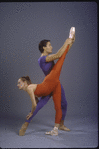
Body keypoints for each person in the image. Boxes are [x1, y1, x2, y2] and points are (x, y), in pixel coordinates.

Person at [18, 27, 75, 136]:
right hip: (48, 84)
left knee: (64, 104)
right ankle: (26, 124)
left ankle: (61, 124)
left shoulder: (48, 57)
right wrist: (67, 42)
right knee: (39, 106)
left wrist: (71, 40)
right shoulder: (42, 59)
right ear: (44, 48)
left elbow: (62, 53)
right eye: (49, 45)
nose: (51, 46)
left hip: (55, 83)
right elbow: (59, 55)